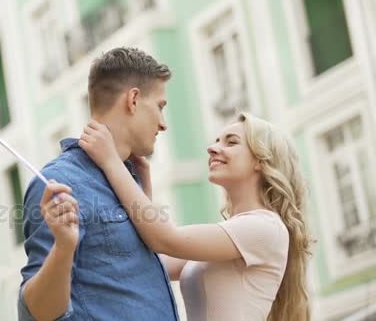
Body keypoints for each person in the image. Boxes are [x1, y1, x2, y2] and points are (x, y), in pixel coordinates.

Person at [79, 112, 312, 320]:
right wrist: (142, 187)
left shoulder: (264, 228)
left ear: (261, 160)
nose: (212, 148)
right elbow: (148, 265)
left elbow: (166, 239)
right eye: (217, 140)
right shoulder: (231, 236)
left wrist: (111, 162)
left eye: (231, 142)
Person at [17, 47, 180, 320]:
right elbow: (36, 313)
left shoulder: (129, 180)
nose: (163, 124)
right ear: (134, 100)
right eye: (160, 107)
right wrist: (63, 248)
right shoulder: (61, 183)